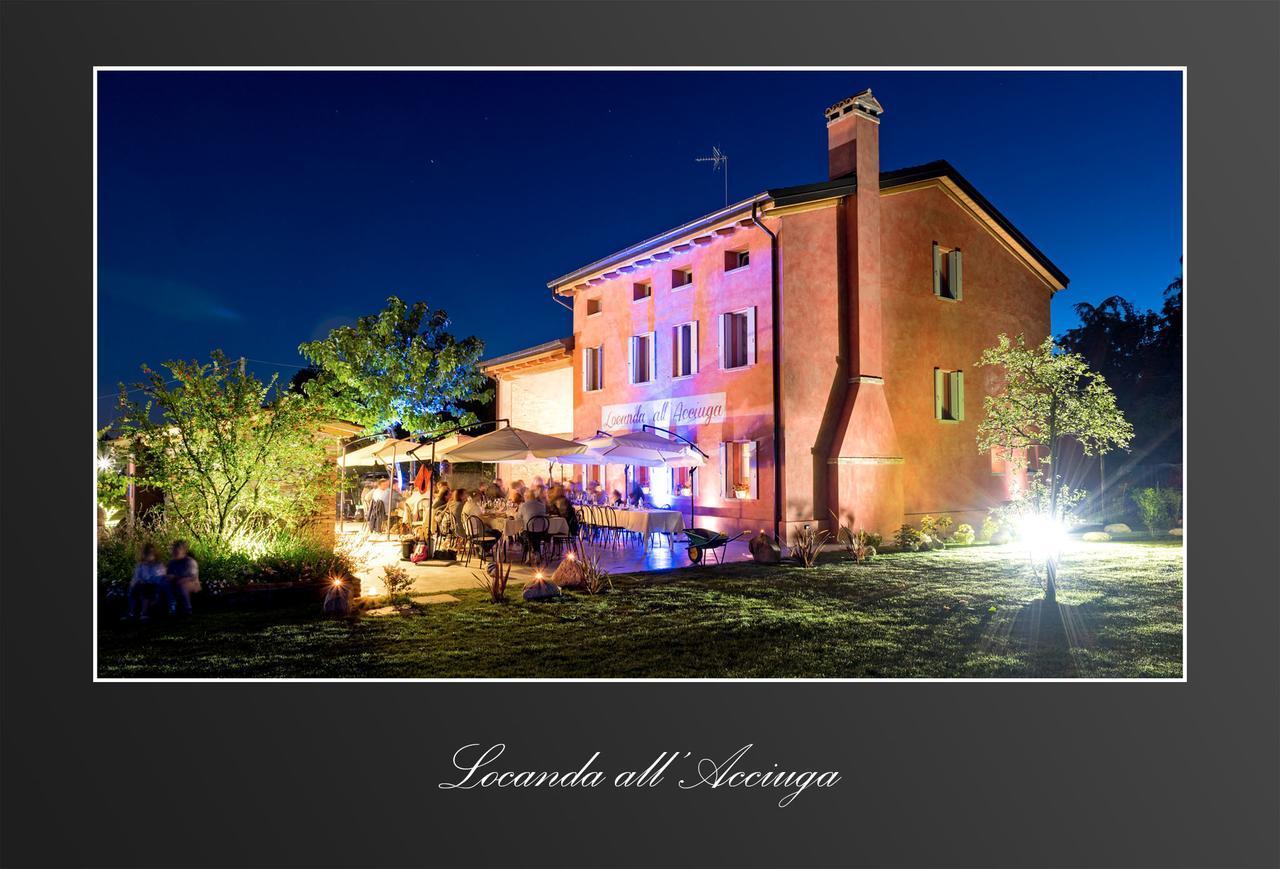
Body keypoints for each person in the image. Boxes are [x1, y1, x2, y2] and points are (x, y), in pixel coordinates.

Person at [122, 543, 169, 621]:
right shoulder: (140, 566)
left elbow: (160, 577)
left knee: (145, 590)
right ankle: (131, 611)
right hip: (141, 586)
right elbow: (136, 577)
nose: (148, 556)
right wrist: (133, 584)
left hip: (154, 586)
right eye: (146, 554)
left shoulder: (158, 565)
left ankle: (144, 613)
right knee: (133, 589)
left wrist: (147, 581)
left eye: (150, 553)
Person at [166, 540, 200, 616]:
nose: (174, 553)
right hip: (176, 582)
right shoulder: (171, 563)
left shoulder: (189, 562)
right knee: (165, 584)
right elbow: (168, 574)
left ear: (183, 551)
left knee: (183, 585)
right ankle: (171, 607)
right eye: (174, 551)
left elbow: (192, 576)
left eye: (177, 551)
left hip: (191, 583)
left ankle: (188, 608)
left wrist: (176, 578)